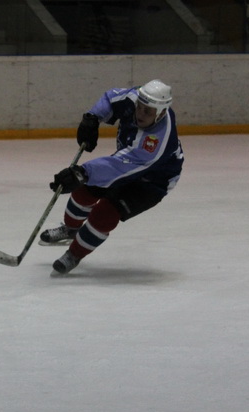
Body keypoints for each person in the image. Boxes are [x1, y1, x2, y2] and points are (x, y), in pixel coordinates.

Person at [40, 79, 184, 275]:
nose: (140, 113)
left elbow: (119, 166)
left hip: (153, 182)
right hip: (127, 164)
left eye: (148, 112)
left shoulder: (155, 141)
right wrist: (92, 118)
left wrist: (82, 173)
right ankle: (70, 229)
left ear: (161, 113)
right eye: (139, 107)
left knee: (105, 213)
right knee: (84, 191)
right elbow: (111, 98)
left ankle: (74, 254)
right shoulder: (134, 99)